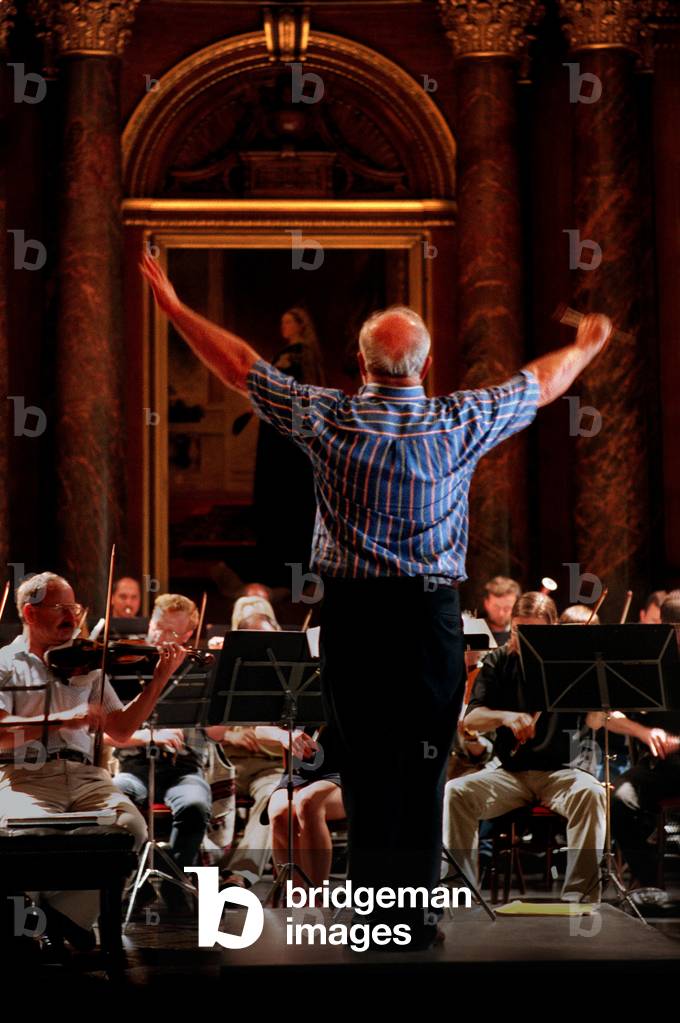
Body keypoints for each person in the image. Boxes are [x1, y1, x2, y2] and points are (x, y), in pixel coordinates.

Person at [140, 250, 613, 948]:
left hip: (355, 618)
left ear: (362, 366)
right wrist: (585, 345)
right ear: (422, 367)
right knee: (422, 769)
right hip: (428, 618)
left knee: (362, 766)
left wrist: (177, 310)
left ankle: (373, 916)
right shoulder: (460, 419)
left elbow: (240, 367)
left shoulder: (326, 415)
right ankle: (412, 917)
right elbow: (539, 385)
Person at [0, 572, 184, 953]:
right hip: (24, 775)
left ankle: (58, 918)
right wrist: (60, 721)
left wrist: (159, 679)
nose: (72, 617)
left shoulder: (90, 664)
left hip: (87, 776)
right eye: (60, 608)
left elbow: (120, 729)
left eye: (75, 608)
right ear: (30, 614)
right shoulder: (4, 664)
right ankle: (43, 922)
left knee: (131, 828)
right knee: (25, 839)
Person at [444, 592, 608, 902]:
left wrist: (599, 693)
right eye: (519, 630)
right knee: (457, 792)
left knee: (592, 792)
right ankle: (458, 892)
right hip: (511, 774)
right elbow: (474, 718)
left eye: (534, 632)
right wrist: (506, 716)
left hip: (562, 773)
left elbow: (596, 723)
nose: (523, 639)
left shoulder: (573, 664)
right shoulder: (499, 660)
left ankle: (580, 896)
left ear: (553, 628)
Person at [110, 593, 216, 910]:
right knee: (115, 799)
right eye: (158, 626)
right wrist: (149, 737)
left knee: (195, 805)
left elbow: (218, 733)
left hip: (184, 769)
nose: (161, 637)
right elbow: (110, 736)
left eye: (172, 633)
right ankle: (130, 882)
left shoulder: (200, 669)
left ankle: (173, 879)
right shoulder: (123, 665)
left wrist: (219, 675)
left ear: (187, 636)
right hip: (133, 767)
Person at [605, 592, 680, 910]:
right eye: (674, 630)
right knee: (620, 800)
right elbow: (608, 717)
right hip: (662, 765)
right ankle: (652, 885)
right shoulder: (649, 663)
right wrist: (644, 731)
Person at [267, 723, 346, 887]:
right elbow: (259, 729)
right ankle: (297, 897)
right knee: (279, 813)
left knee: (308, 802)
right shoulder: (297, 698)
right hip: (298, 774)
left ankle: (315, 898)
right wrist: (283, 736)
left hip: (342, 771)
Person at [482, 576, 521, 645]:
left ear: (516, 607)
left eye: (507, 608)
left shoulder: (522, 636)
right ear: (486, 604)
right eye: (496, 607)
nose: (501, 613)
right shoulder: (474, 631)